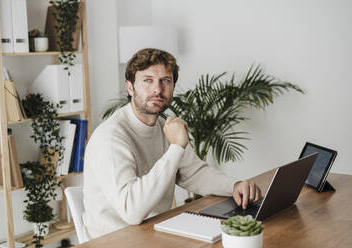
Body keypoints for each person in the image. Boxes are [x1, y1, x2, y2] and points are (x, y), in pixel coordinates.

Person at [82, 48, 261, 241]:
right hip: (114, 239)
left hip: (156, 231)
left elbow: (193, 173)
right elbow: (131, 211)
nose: (157, 89)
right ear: (130, 87)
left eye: (165, 81)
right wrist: (176, 147)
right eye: (148, 80)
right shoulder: (110, 136)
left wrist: (233, 186)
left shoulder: (164, 126)